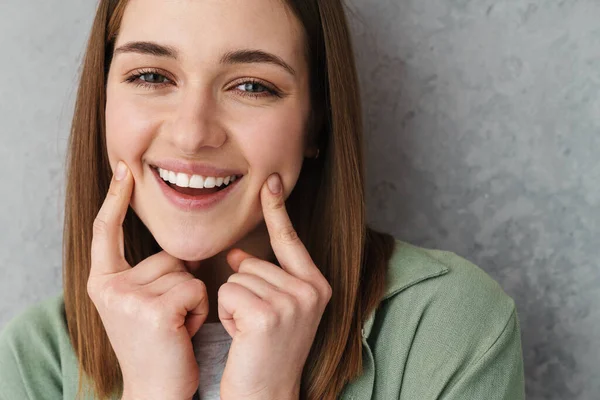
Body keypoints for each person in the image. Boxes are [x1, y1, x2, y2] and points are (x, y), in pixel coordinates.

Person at [0, 0, 526, 399]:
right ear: (104, 102)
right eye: (152, 76)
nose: (192, 134)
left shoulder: (450, 326)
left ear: (316, 122)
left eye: (251, 86)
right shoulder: (35, 358)